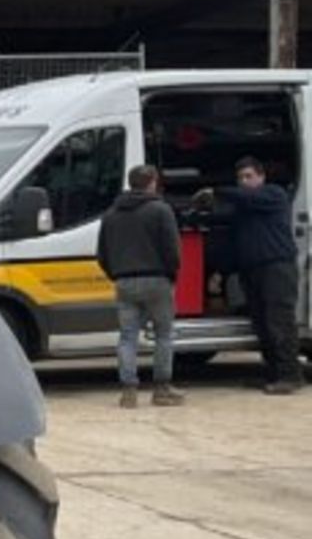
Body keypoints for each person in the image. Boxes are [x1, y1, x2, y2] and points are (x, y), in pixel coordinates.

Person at [196, 156, 304, 395]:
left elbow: (247, 196)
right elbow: (235, 246)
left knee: (280, 323)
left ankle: (290, 375)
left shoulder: (274, 195)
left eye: (249, 177)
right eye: (240, 178)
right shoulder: (242, 209)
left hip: (277, 268)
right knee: (262, 325)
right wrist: (221, 273)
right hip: (252, 271)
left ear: (261, 177)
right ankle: (273, 374)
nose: (244, 182)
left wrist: (217, 191)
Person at [98, 164, 184, 408]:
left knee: (127, 337)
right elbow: (172, 250)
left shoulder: (111, 214)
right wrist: (171, 274)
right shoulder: (160, 210)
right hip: (157, 279)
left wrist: (116, 275)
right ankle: (162, 389)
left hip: (124, 281)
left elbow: (102, 255)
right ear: (152, 182)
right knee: (164, 335)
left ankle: (128, 391)